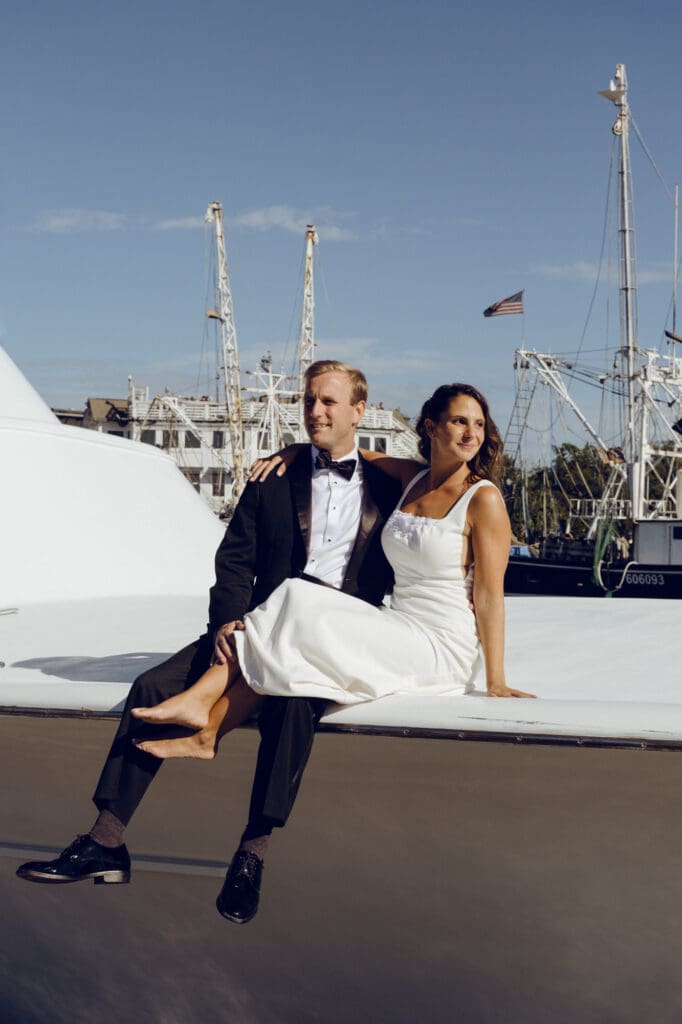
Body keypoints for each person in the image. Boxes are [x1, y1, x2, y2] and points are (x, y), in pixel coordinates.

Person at [16, 360, 402, 925]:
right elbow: (235, 559)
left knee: (293, 704)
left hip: (329, 640)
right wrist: (226, 621)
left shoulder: (390, 489)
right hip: (252, 626)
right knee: (152, 684)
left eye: (329, 403)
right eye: (310, 401)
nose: (315, 412)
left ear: (359, 412)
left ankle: (252, 853)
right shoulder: (272, 479)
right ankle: (106, 838)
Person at [123, 383, 534, 775]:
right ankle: (207, 730)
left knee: (299, 612)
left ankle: (202, 700)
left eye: (479, 424)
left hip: (443, 643)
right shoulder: (412, 478)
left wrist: (495, 680)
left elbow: (490, 595)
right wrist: (298, 450)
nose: (472, 433)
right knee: (296, 603)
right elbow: (352, 452)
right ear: (431, 427)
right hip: (399, 622)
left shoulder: (484, 498)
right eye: (460, 421)